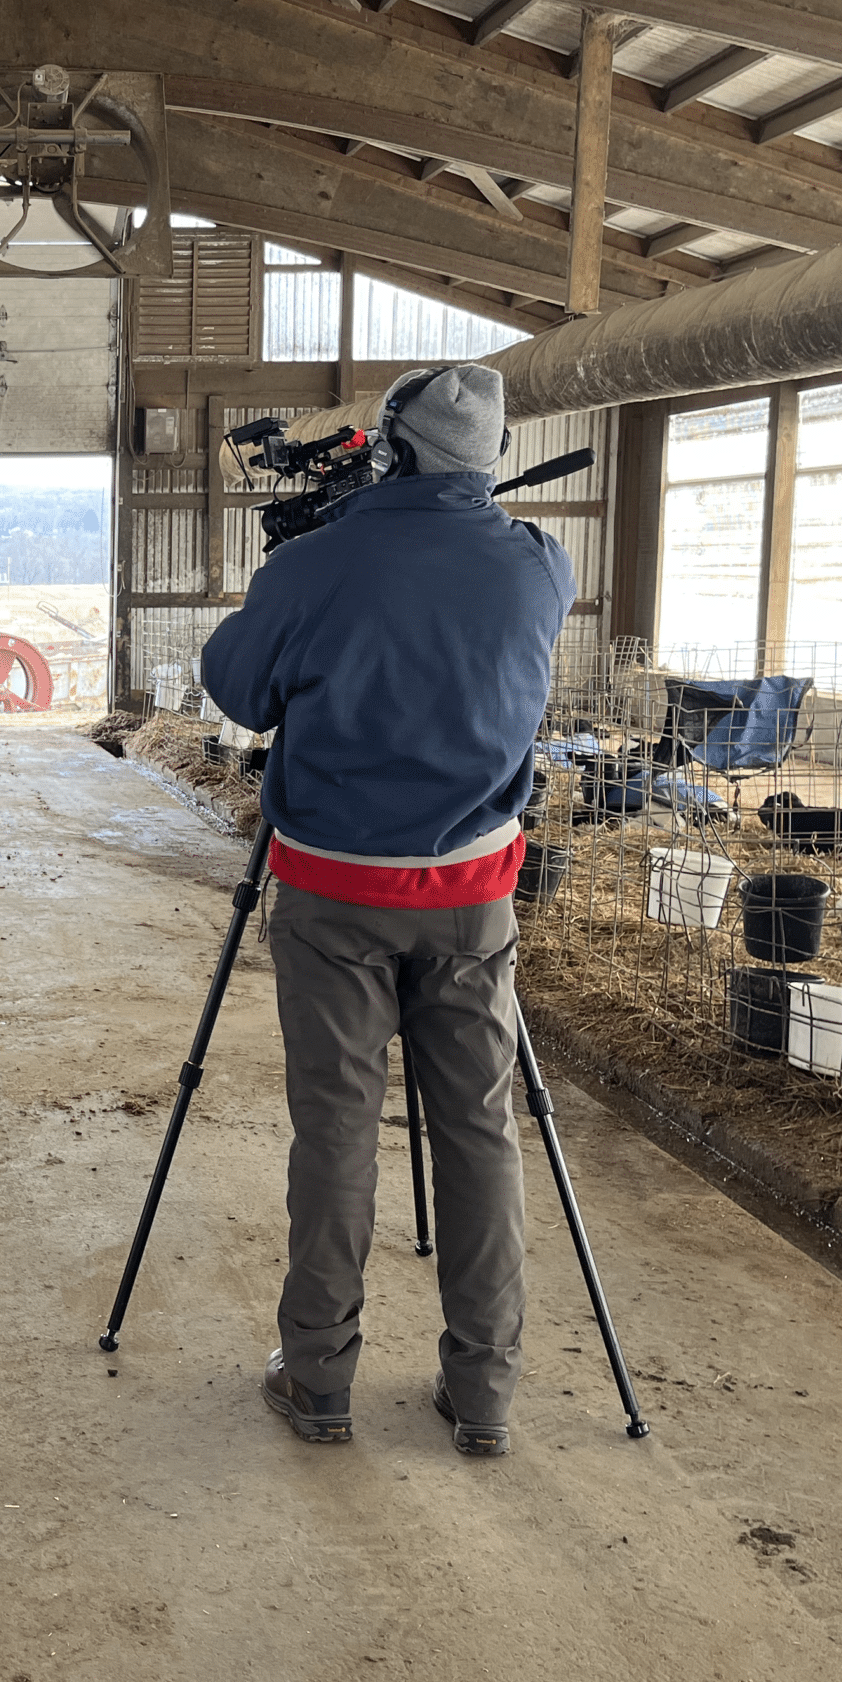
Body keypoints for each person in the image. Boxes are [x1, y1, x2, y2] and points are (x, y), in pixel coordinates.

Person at [200, 364, 573, 1457]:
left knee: (337, 1131)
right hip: (472, 894)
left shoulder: (319, 563)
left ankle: (317, 1377)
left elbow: (236, 689)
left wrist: (297, 569)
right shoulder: (539, 564)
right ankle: (484, 1393)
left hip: (332, 892)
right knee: (479, 1134)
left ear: (389, 447)